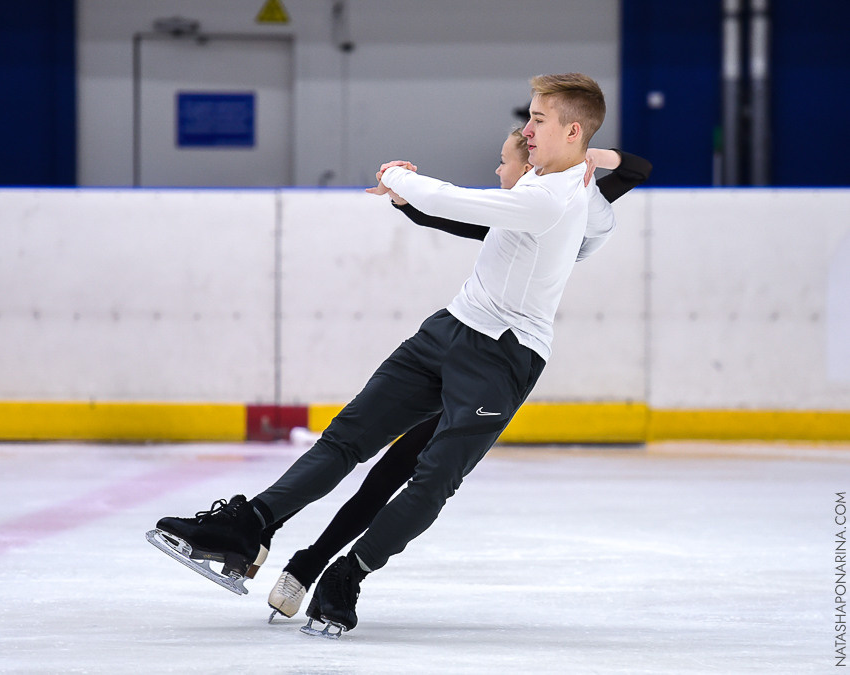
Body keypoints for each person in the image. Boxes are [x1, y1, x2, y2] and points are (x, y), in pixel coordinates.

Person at [149, 72, 630, 637]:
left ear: (572, 131)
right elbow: (588, 231)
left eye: (538, 120)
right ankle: (251, 524)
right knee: (345, 438)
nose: (526, 130)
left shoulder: (555, 198)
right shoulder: (553, 189)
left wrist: (398, 175)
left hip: (503, 358)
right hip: (448, 329)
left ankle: (347, 574)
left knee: (429, 480)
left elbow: (455, 201)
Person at [262, 129, 652, 622]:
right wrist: (405, 202)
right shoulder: (516, 213)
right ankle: (307, 566)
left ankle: (317, 567)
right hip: (465, 346)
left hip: (500, 361)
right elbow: (458, 221)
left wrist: (584, 158)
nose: (498, 170)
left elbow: (637, 168)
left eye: (506, 161)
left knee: (399, 476)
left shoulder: (570, 200)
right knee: (385, 474)